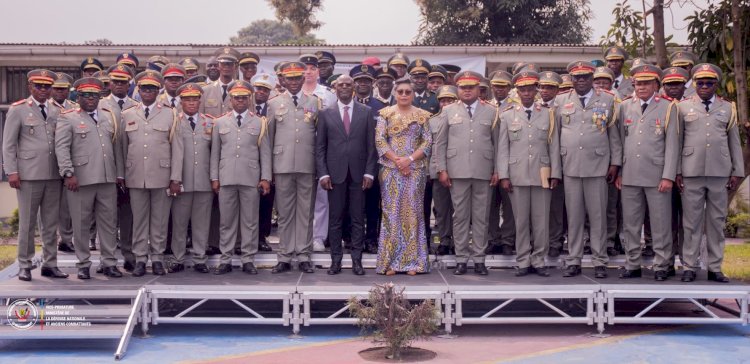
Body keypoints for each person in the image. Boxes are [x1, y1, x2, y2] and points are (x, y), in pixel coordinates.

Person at [676, 63, 744, 283]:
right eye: (700, 82)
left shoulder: (728, 108)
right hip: (691, 170)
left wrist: (737, 170)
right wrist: (676, 171)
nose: (704, 86)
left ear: (716, 84)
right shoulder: (683, 106)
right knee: (691, 222)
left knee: (716, 221)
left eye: (709, 82)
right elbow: (676, 142)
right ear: (694, 84)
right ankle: (689, 265)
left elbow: (734, 141)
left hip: (719, 171)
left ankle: (715, 267)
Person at [556, 61, 621, 279]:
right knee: (574, 218)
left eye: (585, 76)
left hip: (598, 167)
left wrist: (615, 164)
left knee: (598, 217)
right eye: (577, 77)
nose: (581, 80)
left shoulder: (608, 100)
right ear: (571, 79)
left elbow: (614, 135)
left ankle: (600, 260)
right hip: (571, 166)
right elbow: (554, 137)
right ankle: (573, 259)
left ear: (592, 78)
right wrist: (557, 169)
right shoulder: (560, 101)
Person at [615, 63, 679, 281]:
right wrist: (621, 172)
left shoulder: (668, 107)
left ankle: (663, 264)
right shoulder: (624, 107)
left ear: (656, 84)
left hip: (657, 176)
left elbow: (672, 145)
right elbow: (621, 142)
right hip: (631, 174)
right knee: (631, 223)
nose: (641, 87)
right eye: (638, 83)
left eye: (646, 83)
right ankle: (632, 263)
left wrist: (668, 176)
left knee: (660, 223)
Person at [2, 69, 67, 281]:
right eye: (38, 86)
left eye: (47, 86)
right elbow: (9, 144)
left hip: (53, 174)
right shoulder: (18, 109)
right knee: (27, 224)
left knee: (50, 224)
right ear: (30, 87)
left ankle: (50, 264)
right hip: (28, 175)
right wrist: (11, 171)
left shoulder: (57, 110)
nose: (43, 90)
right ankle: (25, 265)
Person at [54, 77, 122, 279]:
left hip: (106, 178)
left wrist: (118, 174)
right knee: (81, 224)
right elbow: (62, 148)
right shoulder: (68, 117)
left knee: (108, 223)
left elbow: (115, 146)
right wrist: (68, 173)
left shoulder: (108, 116)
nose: (91, 99)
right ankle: (83, 264)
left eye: (95, 95)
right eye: (86, 95)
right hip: (80, 179)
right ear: (78, 96)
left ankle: (109, 262)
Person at [434, 71, 500, 276]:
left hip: (483, 170)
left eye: (472, 87)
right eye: (463, 87)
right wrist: (442, 169)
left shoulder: (491, 111)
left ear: (479, 88)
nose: (468, 90)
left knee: (481, 217)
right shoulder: (448, 110)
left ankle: (479, 259)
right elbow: (441, 143)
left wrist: (498, 170)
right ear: (458, 89)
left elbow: (497, 143)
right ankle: (461, 258)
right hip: (457, 170)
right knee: (460, 216)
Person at [119, 70, 184, 277]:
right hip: (136, 175)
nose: (148, 92)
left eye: (152, 89)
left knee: (159, 220)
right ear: (138, 90)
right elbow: (122, 148)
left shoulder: (171, 113)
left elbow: (177, 148)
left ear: (158, 90)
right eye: (145, 88)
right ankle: (140, 259)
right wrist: (121, 175)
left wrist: (175, 178)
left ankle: (157, 258)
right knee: (139, 220)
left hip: (162, 176)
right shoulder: (127, 114)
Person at [497, 70, 561, 277]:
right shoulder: (507, 114)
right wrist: (504, 175)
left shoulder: (548, 113)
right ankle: (523, 260)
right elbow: (503, 148)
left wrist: (556, 173)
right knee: (521, 221)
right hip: (517, 174)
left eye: (530, 89)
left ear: (536, 90)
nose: (526, 93)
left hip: (542, 173)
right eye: (522, 89)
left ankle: (539, 260)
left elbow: (554, 145)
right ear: (517, 91)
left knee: (541, 221)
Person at [315, 74, 377, 276]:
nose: (344, 87)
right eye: (340, 84)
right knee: (335, 219)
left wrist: (370, 172)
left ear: (354, 87)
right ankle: (335, 261)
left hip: (359, 174)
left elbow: (371, 146)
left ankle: (357, 261)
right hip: (334, 175)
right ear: (335, 88)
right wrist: (323, 174)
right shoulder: (325, 113)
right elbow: (320, 147)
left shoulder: (366, 112)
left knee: (358, 219)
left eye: (348, 84)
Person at [209, 80, 272, 275]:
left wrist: (265, 178)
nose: (240, 101)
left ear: (249, 99)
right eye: (236, 98)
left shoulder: (259, 122)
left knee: (250, 221)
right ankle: (226, 259)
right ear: (230, 99)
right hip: (226, 177)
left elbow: (265, 153)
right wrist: (214, 177)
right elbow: (215, 153)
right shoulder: (220, 122)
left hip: (250, 178)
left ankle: (248, 259)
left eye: (244, 97)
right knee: (227, 221)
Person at [375, 77, 432, 275]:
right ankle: (390, 263)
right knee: (392, 213)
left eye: (408, 92)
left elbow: (427, 142)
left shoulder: (423, 115)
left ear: (413, 94)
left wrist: (408, 159)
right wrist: (399, 161)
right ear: (395, 93)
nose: (404, 95)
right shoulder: (385, 114)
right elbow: (380, 141)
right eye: (401, 92)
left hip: (415, 170)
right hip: (391, 170)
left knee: (412, 213)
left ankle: (413, 263)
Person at [267, 62, 320, 274]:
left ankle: (305, 254)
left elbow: (319, 136)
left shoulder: (315, 102)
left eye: (298, 78)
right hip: (282, 164)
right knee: (285, 213)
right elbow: (268, 139)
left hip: (307, 164)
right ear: (284, 80)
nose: (294, 81)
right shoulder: (274, 103)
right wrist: (268, 170)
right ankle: (285, 255)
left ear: (303, 79)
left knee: (306, 212)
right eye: (290, 78)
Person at [169, 83, 214, 274]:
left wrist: (214, 178)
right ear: (181, 102)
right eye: (187, 99)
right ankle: (177, 258)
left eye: (195, 99)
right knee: (179, 222)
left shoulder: (210, 122)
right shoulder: (174, 122)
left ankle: (199, 258)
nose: (192, 103)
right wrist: (174, 180)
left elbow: (215, 153)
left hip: (204, 181)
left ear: (200, 101)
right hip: (182, 181)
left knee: (201, 223)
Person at [101, 64, 138, 271]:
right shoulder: (99, 106)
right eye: (115, 81)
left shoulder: (136, 105)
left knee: (128, 215)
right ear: (109, 83)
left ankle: (128, 253)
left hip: (131, 170)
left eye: (123, 82)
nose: (119, 85)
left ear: (129, 84)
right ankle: (107, 260)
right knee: (106, 217)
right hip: (106, 169)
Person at [351, 64, 386, 254]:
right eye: (359, 81)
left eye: (366, 81)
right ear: (354, 84)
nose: (362, 84)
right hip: (352, 161)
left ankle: (372, 239)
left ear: (373, 84)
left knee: (373, 204)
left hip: (375, 162)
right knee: (353, 204)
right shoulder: (348, 104)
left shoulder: (381, 107)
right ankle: (353, 239)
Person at [486, 70, 516, 256]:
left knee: (509, 205)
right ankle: (493, 238)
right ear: (491, 87)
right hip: (487, 164)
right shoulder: (485, 106)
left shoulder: (516, 107)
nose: (499, 89)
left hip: (509, 164)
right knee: (490, 206)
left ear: (509, 88)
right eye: (496, 86)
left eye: (503, 86)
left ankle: (508, 240)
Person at [50, 72, 77, 254]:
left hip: (70, 161)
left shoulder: (75, 108)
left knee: (68, 205)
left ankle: (66, 239)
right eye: (57, 88)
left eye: (64, 89)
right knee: (50, 205)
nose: (60, 92)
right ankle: (50, 240)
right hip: (49, 163)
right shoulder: (47, 107)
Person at [252, 73, 277, 253]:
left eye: (265, 89)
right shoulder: (245, 107)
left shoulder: (274, 109)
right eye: (258, 88)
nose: (261, 92)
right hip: (249, 161)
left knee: (265, 203)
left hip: (270, 162)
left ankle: (262, 237)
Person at [431, 85, 458, 256]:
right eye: (442, 100)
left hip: (458, 169)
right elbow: (430, 148)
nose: (445, 103)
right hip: (438, 171)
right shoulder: (432, 121)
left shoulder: (461, 118)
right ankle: (444, 240)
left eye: (449, 100)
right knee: (441, 209)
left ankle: (457, 241)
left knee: (459, 210)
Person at [201, 47, 241, 117]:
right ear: (218, 66)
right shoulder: (205, 91)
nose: (226, 67)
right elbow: (200, 118)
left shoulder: (242, 90)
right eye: (223, 63)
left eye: (229, 64)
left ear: (236, 67)